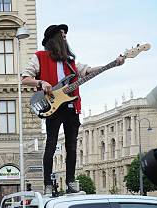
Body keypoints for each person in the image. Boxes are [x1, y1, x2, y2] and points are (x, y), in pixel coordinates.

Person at [21, 24, 124, 195]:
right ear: (53, 39)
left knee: (72, 146)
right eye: (62, 35)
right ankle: (47, 184)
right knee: (51, 145)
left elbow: (88, 70)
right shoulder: (40, 56)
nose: (65, 38)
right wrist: (41, 82)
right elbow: (25, 78)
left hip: (71, 107)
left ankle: (70, 182)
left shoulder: (70, 62)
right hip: (52, 106)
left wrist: (112, 64)